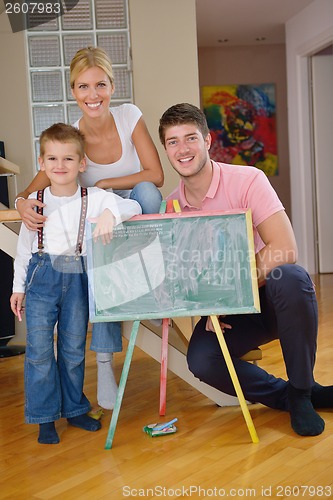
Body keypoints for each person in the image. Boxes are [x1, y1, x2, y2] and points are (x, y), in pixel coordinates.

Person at [158, 102, 333, 437]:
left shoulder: (248, 179)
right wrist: (206, 303)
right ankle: (297, 395)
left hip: (269, 296)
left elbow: (285, 247)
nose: (183, 149)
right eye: (173, 141)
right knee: (202, 361)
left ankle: (301, 391)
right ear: (165, 149)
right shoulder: (170, 207)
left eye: (190, 138)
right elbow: (186, 275)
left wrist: (226, 290)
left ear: (208, 140)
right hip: (230, 312)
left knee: (291, 277)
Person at [14, 46, 164, 413]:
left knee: (145, 191)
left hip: (132, 213)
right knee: (101, 270)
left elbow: (155, 176)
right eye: (83, 87)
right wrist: (20, 201)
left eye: (100, 85)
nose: (92, 95)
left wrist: (107, 185)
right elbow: (38, 184)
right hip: (105, 235)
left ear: (112, 86)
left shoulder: (129, 116)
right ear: (73, 91)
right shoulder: (72, 138)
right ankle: (105, 365)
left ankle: (151, 282)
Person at [10, 123, 142, 444]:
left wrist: (111, 214)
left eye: (68, 159)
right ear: (41, 163)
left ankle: (74, 408)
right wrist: (18, 288)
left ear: (81, 164)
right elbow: (24, 249)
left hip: (77, 278)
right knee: (40, 351)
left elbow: (135, 205)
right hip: (41, 278)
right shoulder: (35, 202)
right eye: (52, 159)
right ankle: (45, 417)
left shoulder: (95, 198)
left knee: (72, 349)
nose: (60, 166)